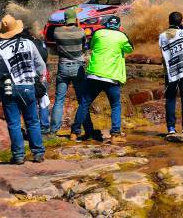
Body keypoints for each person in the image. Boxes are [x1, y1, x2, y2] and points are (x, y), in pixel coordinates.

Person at [0, 15, 46, 164]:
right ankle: (37, 153)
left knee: (14, 123)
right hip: (28, 86)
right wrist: (41, 82)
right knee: (32, 121)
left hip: (8, 88)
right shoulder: (29, 43)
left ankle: (18, 156)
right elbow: (41, 66)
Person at [71, 16, 133, 144]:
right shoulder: (122, 36)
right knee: (115, 105)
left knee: (84, 103)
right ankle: (115, 135)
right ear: (119, 26)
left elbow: (91, 46)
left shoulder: (98, 33)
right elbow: (130, 49)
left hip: (94, 74)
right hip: (112, 77)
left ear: (107, 24)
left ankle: (74, 133)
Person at [50, 8, 94, 137]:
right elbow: (83, 46)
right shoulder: (80, 32)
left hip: (63, 66)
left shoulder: (57, 32)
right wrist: (78, 25)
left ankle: (54, 130)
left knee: (59, 99)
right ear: (75, 19)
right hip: (78, 67)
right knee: (82, 100)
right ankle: (88, 128)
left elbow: (57, 44)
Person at [21, 21, 51, 135]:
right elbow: (45, 57)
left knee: (31, 101)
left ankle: (33, 127)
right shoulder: (41, 43)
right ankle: (44, 126)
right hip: (41, 74)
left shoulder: (25, 44)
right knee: (43, 99)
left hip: (28, 75)